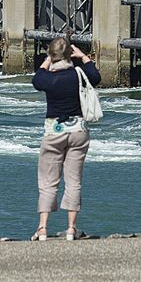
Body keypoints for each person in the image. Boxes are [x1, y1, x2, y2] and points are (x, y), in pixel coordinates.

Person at [30, 37, 100, 241]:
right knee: (74, 181)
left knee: (48, 181)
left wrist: (47, 60)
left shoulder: (48, 79)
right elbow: (95, 77)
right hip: (78, 130)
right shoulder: (78, 74)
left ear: (52, 56)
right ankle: (71, 228)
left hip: (54, 131)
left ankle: (42, 228)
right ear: (70, 54)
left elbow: (36, 79)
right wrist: (83, 56)